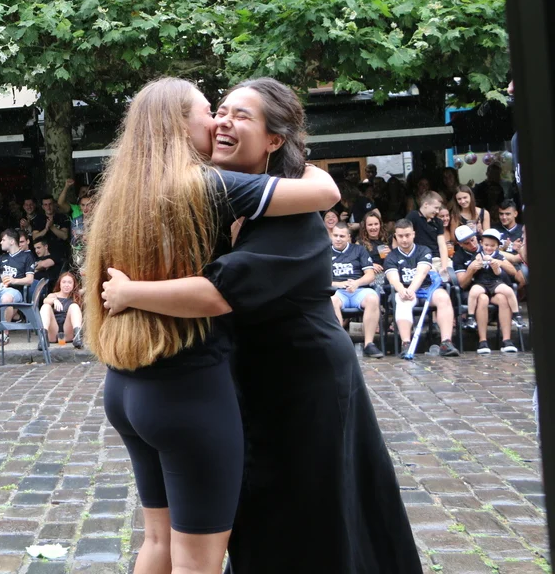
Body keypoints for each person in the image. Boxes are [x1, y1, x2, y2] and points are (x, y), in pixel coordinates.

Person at [96, 77, 421, 574]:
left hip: (301, 380)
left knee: (307, 514)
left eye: (239, 115)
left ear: (273, 140)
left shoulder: (286, 214)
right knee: (247, 521)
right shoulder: (212, 193)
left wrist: (129, 294)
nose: (222, 122)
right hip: (237, 379)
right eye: (218, 111)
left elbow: (219, 293)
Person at [384, 220, 459, 356]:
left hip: (426, 289)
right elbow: (393, 278)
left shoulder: (424, 250)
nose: (404, 239)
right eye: (400, 236)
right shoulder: (391, 256)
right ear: (395, 236)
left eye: (407, 235)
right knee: (402, 301)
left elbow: (422, 273)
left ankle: (446, 342)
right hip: (404, 290)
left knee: (443, 297)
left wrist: (412, 289)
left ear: (413, 234)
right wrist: (402, 290)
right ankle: (406, 344)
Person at [453, 226, 521, 354]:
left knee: (503, 298)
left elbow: (513, 271)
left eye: (473, 240)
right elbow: (462, 284)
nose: (472, 245)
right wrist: (471, 270)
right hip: (474, 290)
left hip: (494, 286)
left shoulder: (487, 245)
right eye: (466, 243)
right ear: (460, 244)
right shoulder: (458, 257)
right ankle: (482, 341)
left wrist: (498, 262)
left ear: (477, 238)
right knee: (482, 298)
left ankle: (507, 340)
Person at [328, 222, 382, 358]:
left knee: (373, 298)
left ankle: (369, 344)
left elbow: (370, 275)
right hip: (337, 291)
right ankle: (340, 344)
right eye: (335, 235)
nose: (338, 239)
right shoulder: (325, 252)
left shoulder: (359, 250)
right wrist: (339, 284)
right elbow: (319, 278)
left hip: (359, 290)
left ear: (348, 237)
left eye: (342, 236)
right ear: (331, 236)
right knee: (331, 301)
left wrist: (357, 283)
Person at [406, 191, 451, 280]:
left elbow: (442, 245)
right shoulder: (413, 216)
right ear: (426, 204)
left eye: (438, 208)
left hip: (438, 259)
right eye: (436, 208)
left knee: (453, 274)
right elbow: (401, 236)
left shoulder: (438, 222)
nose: (437, 211)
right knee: (432, 277)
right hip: (421, 260)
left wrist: (444, 267)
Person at [39, 271, 83, 348]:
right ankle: (43, 338)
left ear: (73, 285)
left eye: (69, 282)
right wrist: (54, 300)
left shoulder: (76, 296)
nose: (66, 285)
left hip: (67, 333)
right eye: (64, 282)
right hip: (53, 333)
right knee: (46, 306)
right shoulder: (53, 295)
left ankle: (77, 337)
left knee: (74, 306)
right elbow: (45, 300)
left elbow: (90, 288)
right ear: (60, 284)